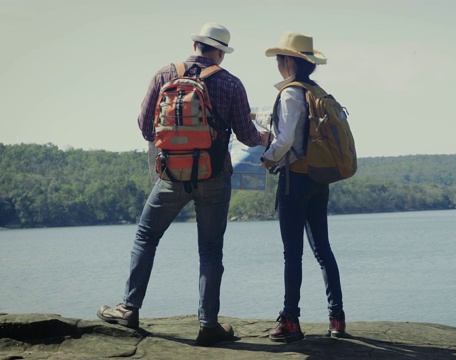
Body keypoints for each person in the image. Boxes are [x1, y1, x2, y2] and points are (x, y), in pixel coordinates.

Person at [97, 22, 269, 346]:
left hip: (171, 176)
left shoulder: (164, 74)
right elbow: (247, 136)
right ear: (220, 52)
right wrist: (268, 137)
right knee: (210, 250)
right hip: (214, 175)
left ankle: (129, 308)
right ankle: (208, 325)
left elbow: (146, 128)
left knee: (146, 236)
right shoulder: (231, 83)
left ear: (195, 45)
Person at [258, 31, 346, 343]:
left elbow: (285, 141)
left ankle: (290, 320)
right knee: (323, 249)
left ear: (289, 62)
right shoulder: (316, 91)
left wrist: (267, 159)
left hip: (294, 179)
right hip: (319, 179)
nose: (278, 64)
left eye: (280, 59)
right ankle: (337, 318)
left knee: (292, 252)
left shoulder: (290, 93)